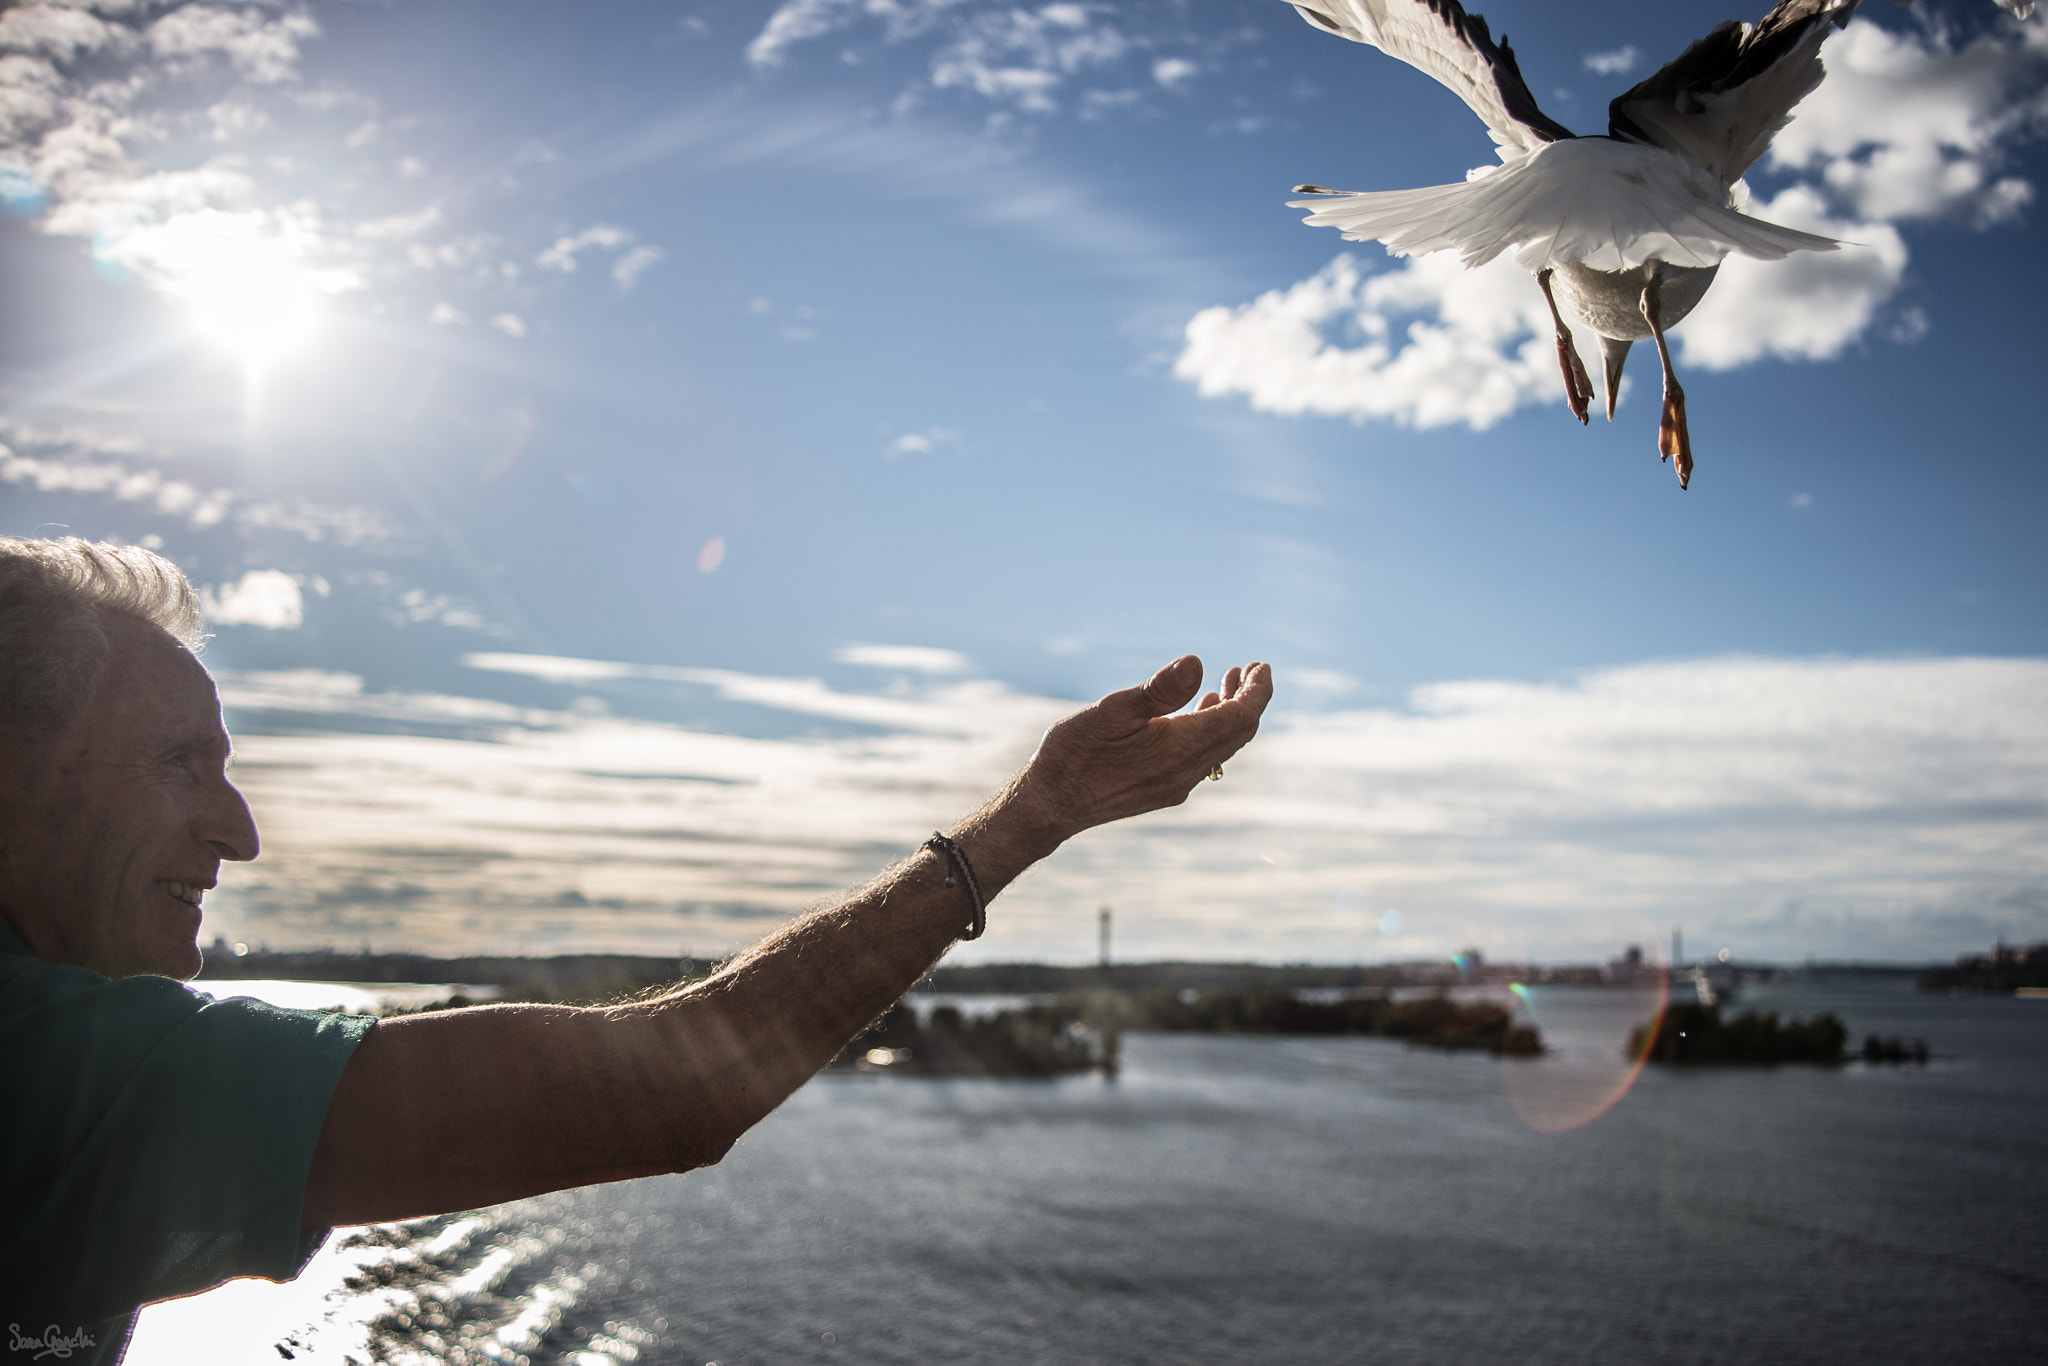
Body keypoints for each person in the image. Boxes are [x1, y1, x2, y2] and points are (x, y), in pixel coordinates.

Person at [0, 536, 1273, 1363]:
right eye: (181, 763)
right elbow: (672, 1087)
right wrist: (1026, 821)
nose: (241, 831)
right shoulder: (39, 1070)